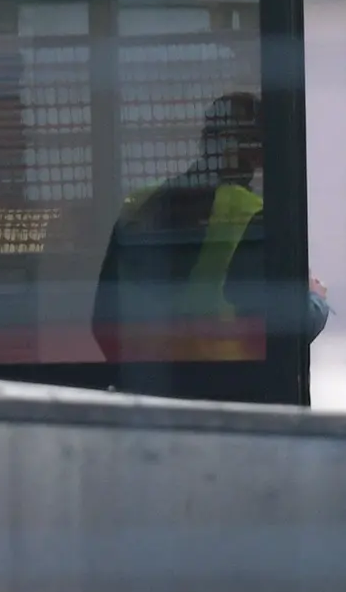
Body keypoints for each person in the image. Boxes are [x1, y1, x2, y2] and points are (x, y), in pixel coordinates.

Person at [94, 91, 329, 390]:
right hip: (225, 399)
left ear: (205, 140)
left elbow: (102, 321)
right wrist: (315, 301)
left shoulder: (139, 204)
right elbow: (284, 332)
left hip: (142, 396)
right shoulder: (250, 216)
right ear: (257, 151)